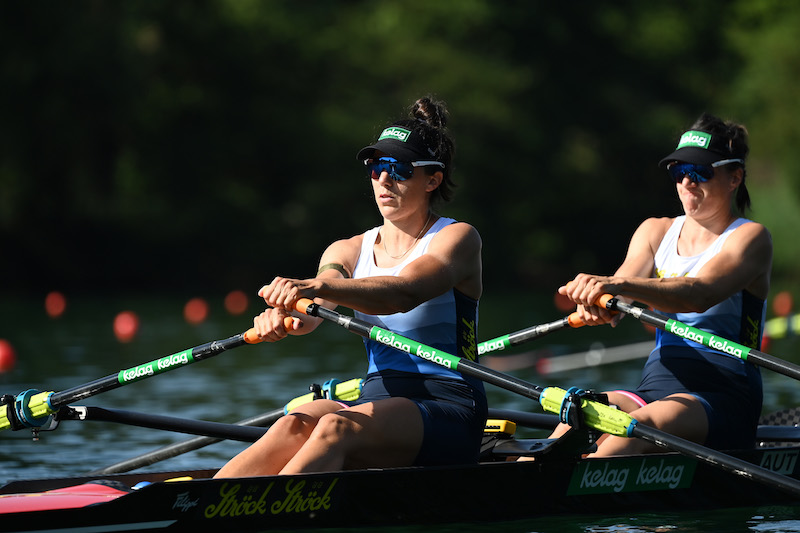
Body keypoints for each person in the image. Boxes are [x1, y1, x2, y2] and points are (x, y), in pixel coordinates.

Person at [214, 96, 487, 477]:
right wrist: (283, 316)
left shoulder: (456, 239)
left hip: (449, 404)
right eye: (376, 167)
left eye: (399, 169)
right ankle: (202, 503)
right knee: (293, 423)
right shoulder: (346, 249)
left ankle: (264, 507)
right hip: (375, 399)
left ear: (433, 180)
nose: (384, 180)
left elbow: (403, 292)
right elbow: (317, 306)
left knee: (334, 427)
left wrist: (311, 288)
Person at [550, 112, 772, 455]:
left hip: (723, 396)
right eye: (679, 170)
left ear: (735, 178)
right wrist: (599, 304)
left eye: (699, 171)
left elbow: (700, 293)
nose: (687, 182)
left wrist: (616, 285)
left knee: (635, 430)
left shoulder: (750, 238)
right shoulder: (655, 231)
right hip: (654, 388)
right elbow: (623, 293)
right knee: (576, 416)